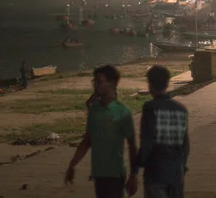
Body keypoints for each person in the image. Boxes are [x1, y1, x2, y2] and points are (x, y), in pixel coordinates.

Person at [65, 65, 138, 198]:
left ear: (112, 83)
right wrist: (72, 164)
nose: (95, 85)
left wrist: (134, 176)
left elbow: (132, 146)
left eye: (99, 81)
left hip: (116, 175)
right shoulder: (94, 111)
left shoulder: (122, 112)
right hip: (98, 175)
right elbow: (87, 141)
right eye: (95, 81)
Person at [138, 65, 189, 198]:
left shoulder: (150, 108)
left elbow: (146, 142)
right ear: (167, 83)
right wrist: (182, 165)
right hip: (176, 173)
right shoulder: (181, 109)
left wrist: (136, 166)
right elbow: (185, 145)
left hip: (156, 172)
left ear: (150, 85)